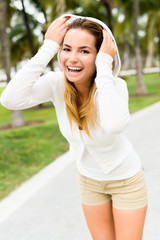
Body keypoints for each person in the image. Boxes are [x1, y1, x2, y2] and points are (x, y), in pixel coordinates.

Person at [0, 14, 148, 240]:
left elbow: (115, 125)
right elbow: (10, 99)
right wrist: (48, 47)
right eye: (66, 49)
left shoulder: (113, 86)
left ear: (100, 56)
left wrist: (105, 68)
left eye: (85, 51)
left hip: (126, 180)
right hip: (89, 180)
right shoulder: (55, 83)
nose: (73, 59)